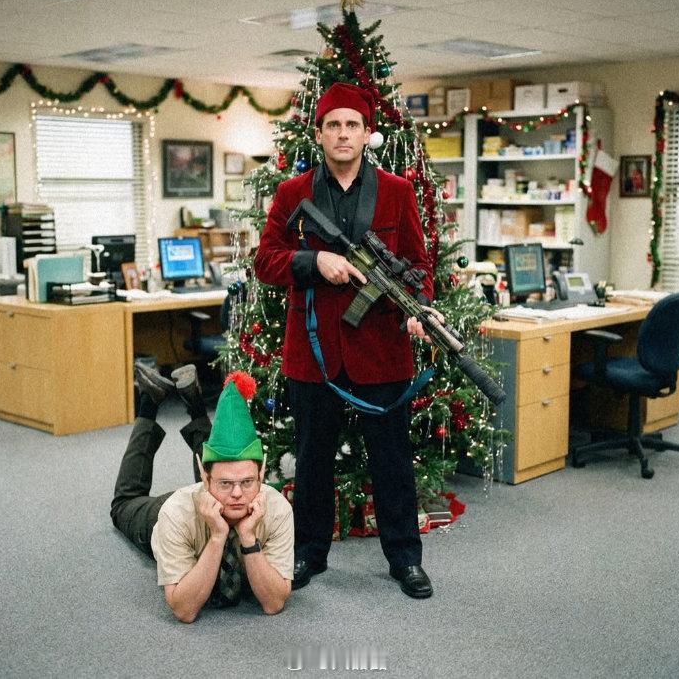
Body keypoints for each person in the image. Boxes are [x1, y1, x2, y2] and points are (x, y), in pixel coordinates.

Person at [254, 82, 441, 600]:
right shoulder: (293, 194)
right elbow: (265, 261)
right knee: (313, 461)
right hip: (314, 352)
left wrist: (419, 308)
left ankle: (405, 558)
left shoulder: (397, 192)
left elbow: (419, 264)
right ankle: (309, 552)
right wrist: (314, 261)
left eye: (352, 125)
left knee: (392, 462)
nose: (342, 134)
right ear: (318, 134)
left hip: (381, 350)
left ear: (366, 134)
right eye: (333, 125)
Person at [110, 362, 293, 621]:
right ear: (204, 478)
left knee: (220, 463)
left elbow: (273, 603)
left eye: (248, 482)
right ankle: (149, 401)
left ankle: (194, 401)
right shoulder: (175, 514)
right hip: (177, 512)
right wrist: (218, 537)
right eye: (226, 483)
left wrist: (248, 537)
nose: (238, 494)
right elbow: (184, 610)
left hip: (209, 500)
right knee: (122, 505)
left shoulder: (278, 509)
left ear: (262, 475)